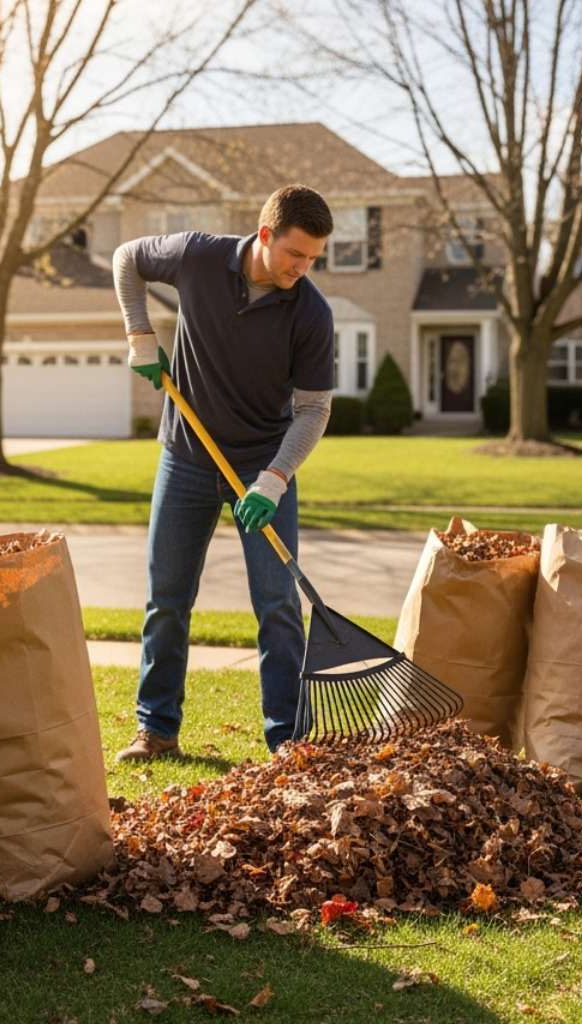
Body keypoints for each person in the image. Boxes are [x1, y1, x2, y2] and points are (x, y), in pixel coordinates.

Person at [111, 184, 336, 759]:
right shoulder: (198, 257)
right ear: (264, 235)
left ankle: (286, 741)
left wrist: (275, 478)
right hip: (185, 457)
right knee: (168, 599)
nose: (303, 268)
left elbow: (313, 410)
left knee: (278, 604)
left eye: (313, 258)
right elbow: (127, 259)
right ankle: (156, 729)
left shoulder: (310, 311)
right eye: (295, 254)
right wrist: (140, 334)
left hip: (263, 469)